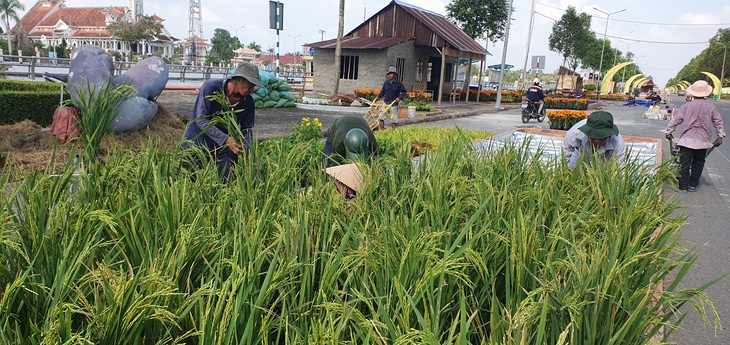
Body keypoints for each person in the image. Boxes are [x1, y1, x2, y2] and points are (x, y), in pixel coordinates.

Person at [181, 62, 263, 180]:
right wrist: (225, 139)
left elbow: (246, 129)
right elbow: (202, 120)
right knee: (188, 181)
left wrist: (249, 151)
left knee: (226, 178)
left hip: (224, 148)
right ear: (239, 79)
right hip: (197, 142)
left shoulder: (248, 102)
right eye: (250, 84)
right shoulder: (211, 88)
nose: (252, 89)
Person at [662, 80, 725, 193]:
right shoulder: (711, 108)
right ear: (706, 94)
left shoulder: (686, 107)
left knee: (684, 163)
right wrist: (720, 135)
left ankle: (683, 187)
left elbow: (675, 120)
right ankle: (693, 185)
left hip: (687, 140)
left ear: (692, 94)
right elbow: (718, 122)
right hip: (703, 141)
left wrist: (669, 131)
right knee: (698, 162)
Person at [562, 111, 626, 170]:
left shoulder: (617, 143)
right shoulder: (574, 134)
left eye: (601, 138)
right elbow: (563, 158)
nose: (597, 142)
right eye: (593, 137)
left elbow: (619, 168)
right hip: (580, 154)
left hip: (605, 157)